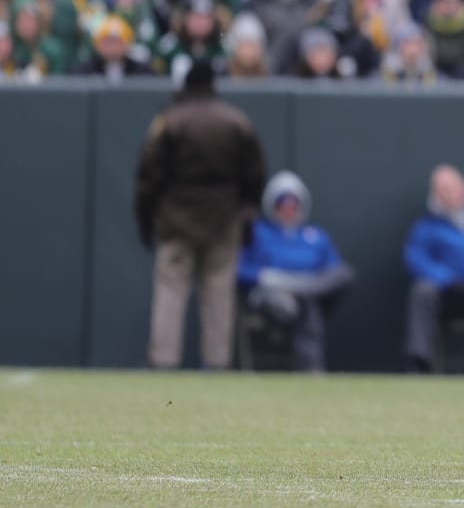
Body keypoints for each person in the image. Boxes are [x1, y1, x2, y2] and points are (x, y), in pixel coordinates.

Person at [134, 60, 266, 370]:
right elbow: (255, 175)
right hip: (223, 218)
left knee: (170, 289)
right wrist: (247, 213)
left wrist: (145, 219)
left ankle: (164, 360)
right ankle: (217, 362)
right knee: (218, 293)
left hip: (175, 218)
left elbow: (148, 177)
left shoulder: (171, 120)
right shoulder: (236, 121)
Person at [238, 171, 353, 373]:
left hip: (309, 291)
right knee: (303, 305)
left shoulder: (316, 235)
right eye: (282, 204)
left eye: (293, 204)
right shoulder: (257, 232)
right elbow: (238, 269)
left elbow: (335, 268)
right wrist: (268, 278)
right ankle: (312, 370)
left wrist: (299, 288)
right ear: (272, 205)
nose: (288, 210)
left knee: (342, 274)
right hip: (272, 296)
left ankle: (301, 292)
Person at [402, 164, 464, 373]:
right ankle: (420, 362)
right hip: (449, 295)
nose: (445, 194)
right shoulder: (426, 227)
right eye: (439, 189)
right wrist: (447, 279)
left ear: (463, 188)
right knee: (423, 291)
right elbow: (415, 259)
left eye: (449, 187)